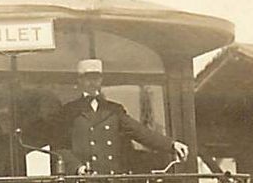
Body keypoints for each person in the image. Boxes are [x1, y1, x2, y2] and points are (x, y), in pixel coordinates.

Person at [52, 59, 190, 175]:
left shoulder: (114, 110)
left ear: (101, 80)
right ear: (80, 80)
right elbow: (60, 147)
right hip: (83, 182)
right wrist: (78, 168)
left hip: (113, 181)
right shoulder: (69, 111)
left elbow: (140, 132)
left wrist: (171, 144)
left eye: (96, 78)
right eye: (88, 78)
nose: (93, 82)